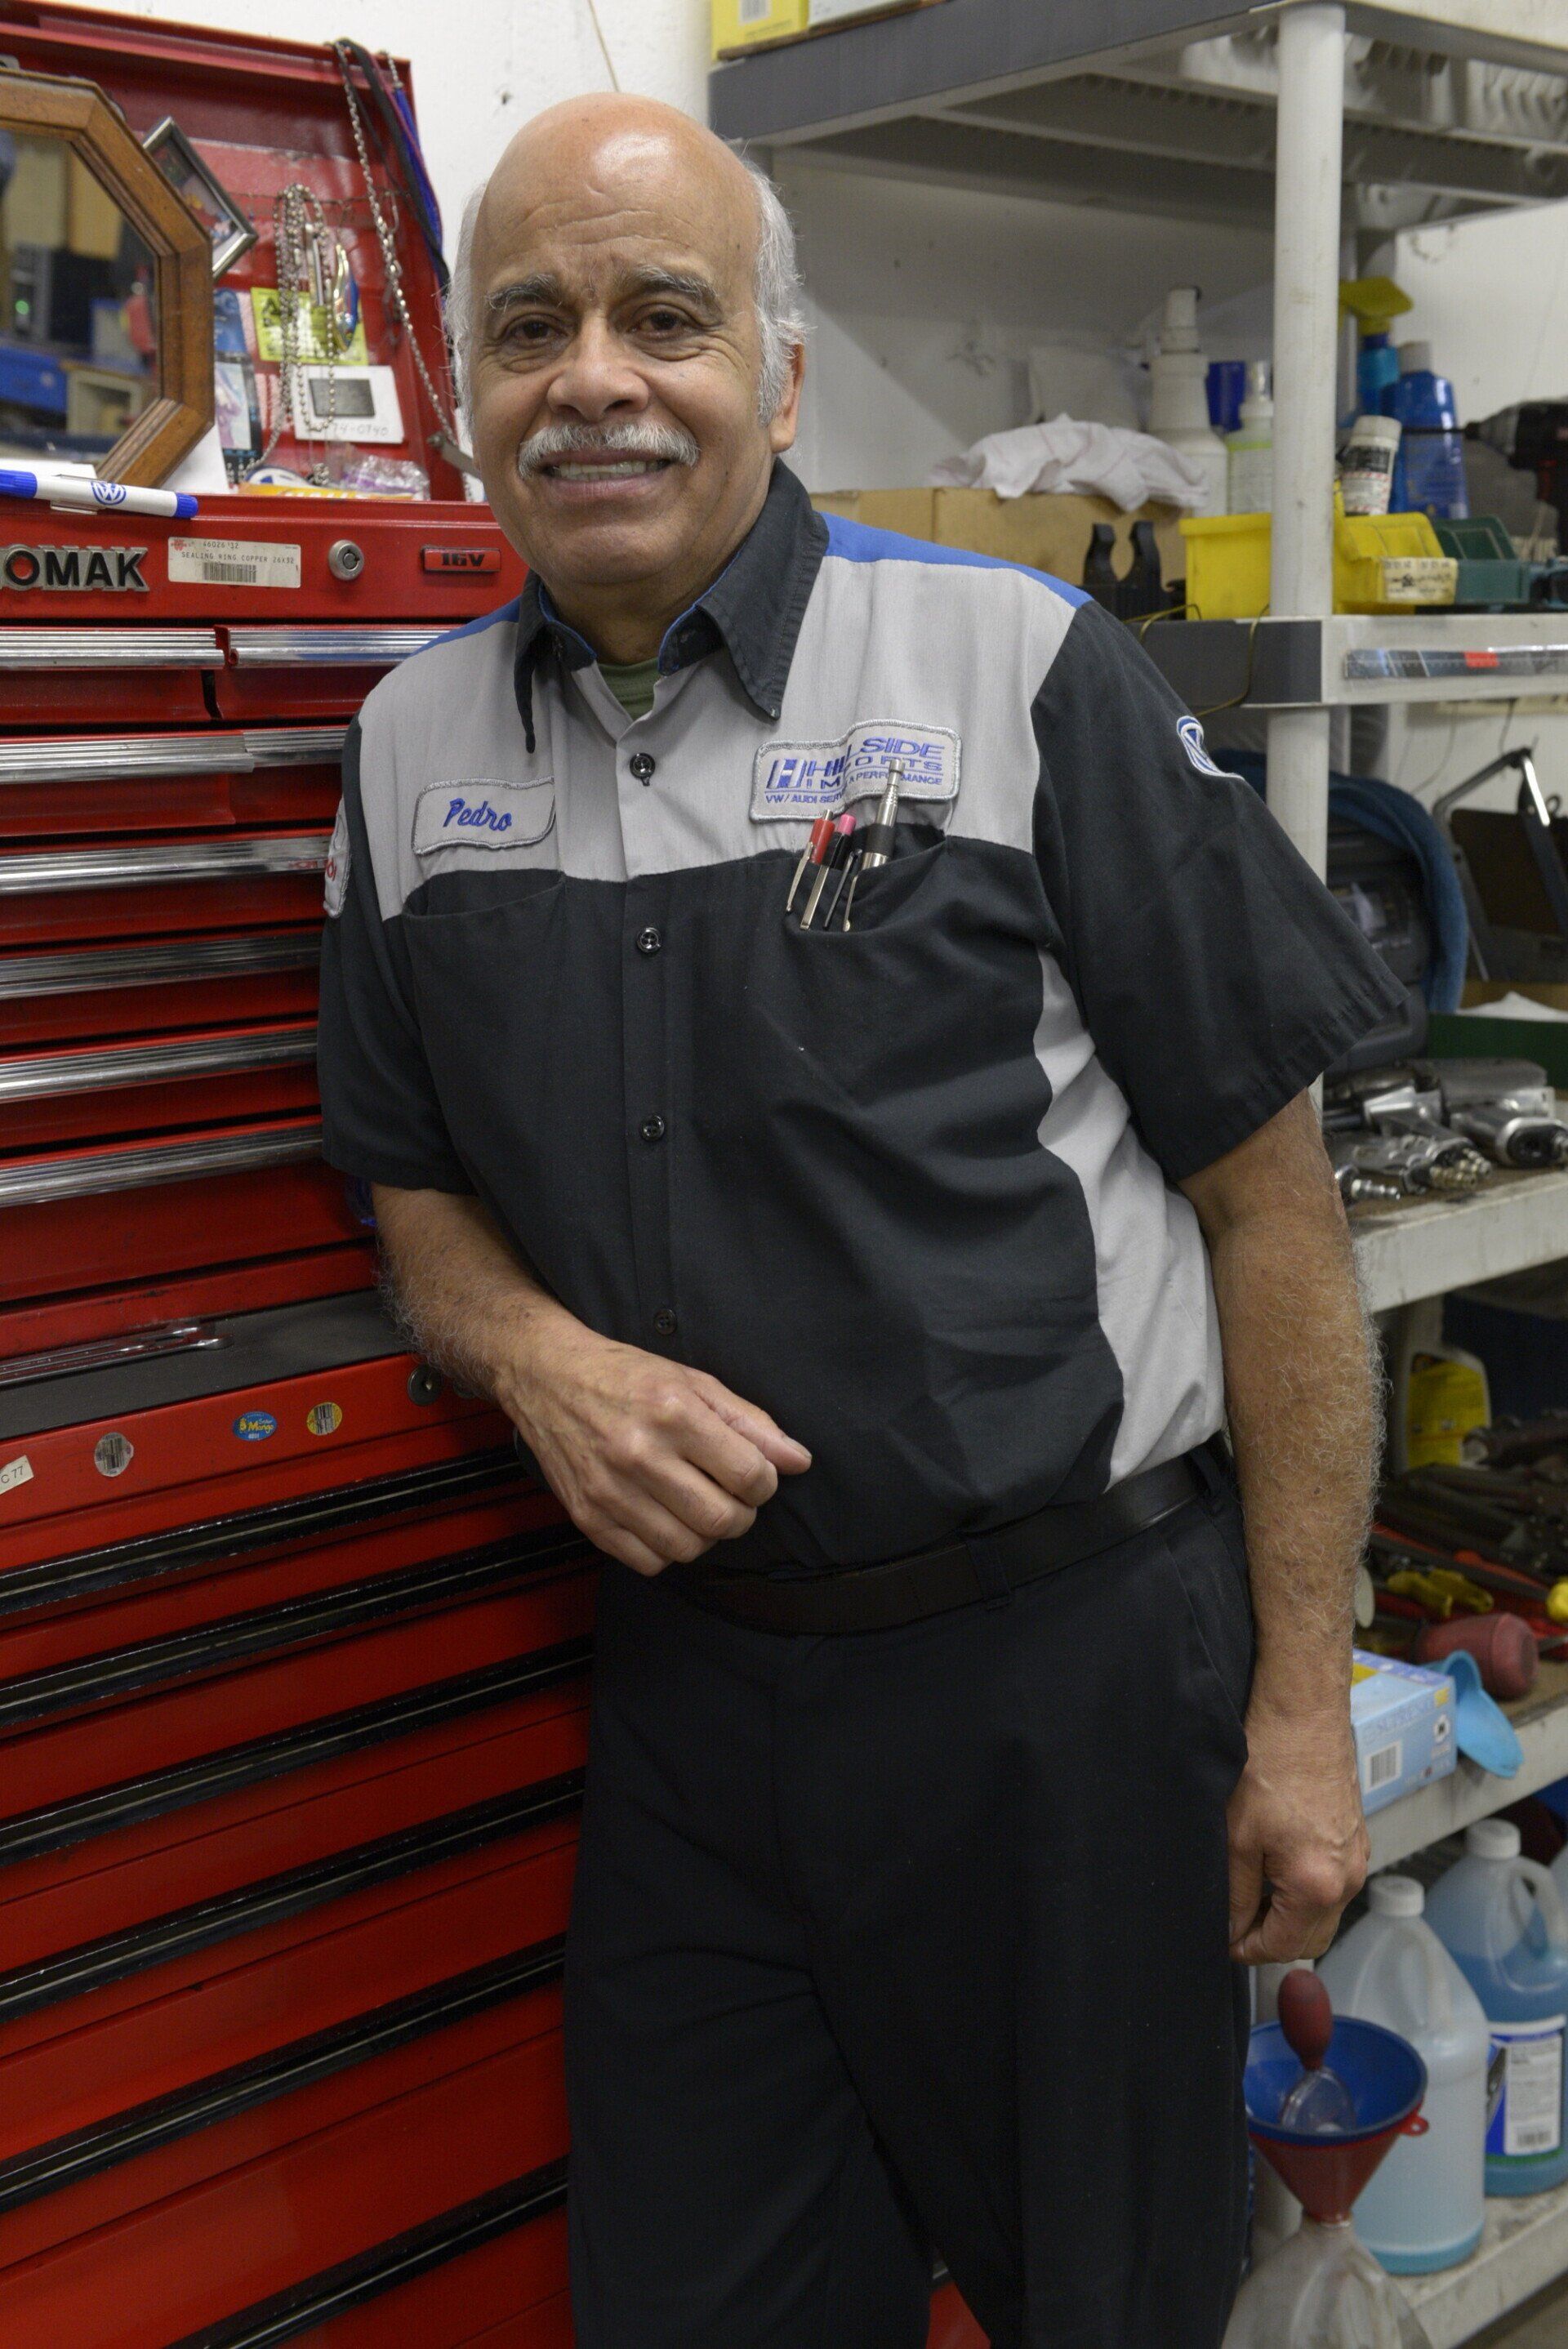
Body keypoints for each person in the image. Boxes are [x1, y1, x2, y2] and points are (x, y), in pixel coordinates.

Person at [317, 93, 1405, 2349]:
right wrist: (532, 1352)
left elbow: (1275, 1215)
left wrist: (1303, 1702)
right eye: (529, 326)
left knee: (1103, 2299)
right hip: (694, 1699)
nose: (593, 379)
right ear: (465, 393)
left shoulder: (1018, 673)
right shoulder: (410, 754)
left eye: (665, 318)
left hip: (1062, 1685)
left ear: (783, 377)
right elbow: (413, 1188)